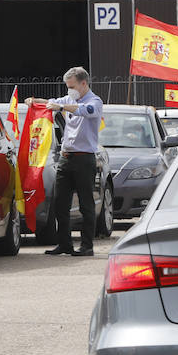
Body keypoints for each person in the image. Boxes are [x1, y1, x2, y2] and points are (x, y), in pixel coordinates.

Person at [24, 66, 103, 257]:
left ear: (84, 84)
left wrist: (60, 107)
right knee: (60, 204)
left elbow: (85, 110)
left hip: (84, 159)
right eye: (67, 86)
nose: (69, 90)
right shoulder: (68, 99)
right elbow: (51, 103)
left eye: (72, 86)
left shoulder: (95, 101)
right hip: (66, 158)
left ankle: (86, 246)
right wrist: (35, 101)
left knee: (85, 204)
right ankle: (64, 244)